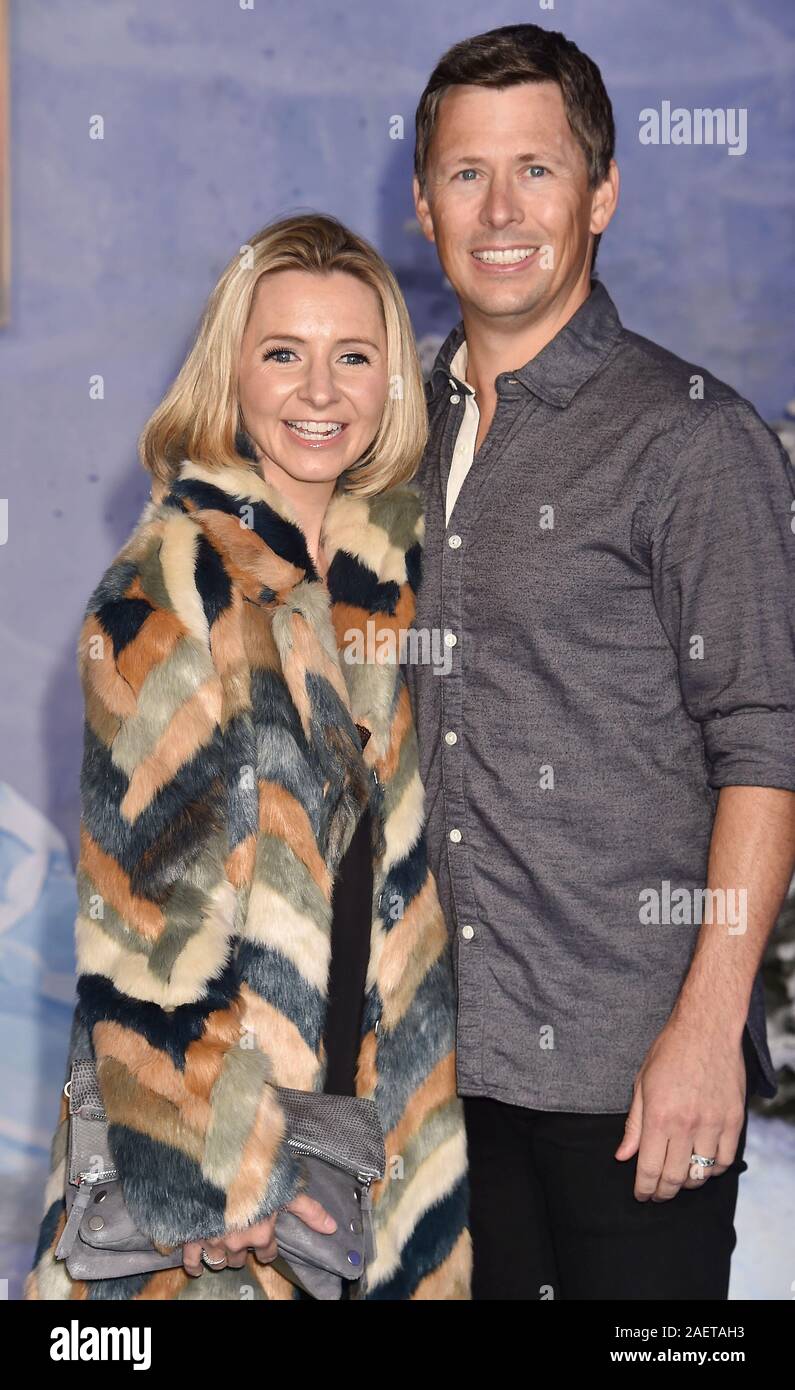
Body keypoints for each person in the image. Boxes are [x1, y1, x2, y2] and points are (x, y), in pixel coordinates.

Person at [406, 22, 795, 1300]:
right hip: (441, 1085)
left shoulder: (694, 444)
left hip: (637, 1083)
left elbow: (768, 743)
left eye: (540, 169)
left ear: (604, 193)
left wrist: (706, 1032)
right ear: (423, 202)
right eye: (469, 173)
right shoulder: (387, 430)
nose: (503, 208)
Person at [25, 212, 471, 1301]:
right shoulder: (165, 590)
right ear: (234, 373)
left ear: (391, 384)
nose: (319, 392)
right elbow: (145, 931)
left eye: (352, 356)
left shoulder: (405, 578)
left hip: (384, 1152)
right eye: (284, 354)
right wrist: (218, 1181)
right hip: (221, 1186)